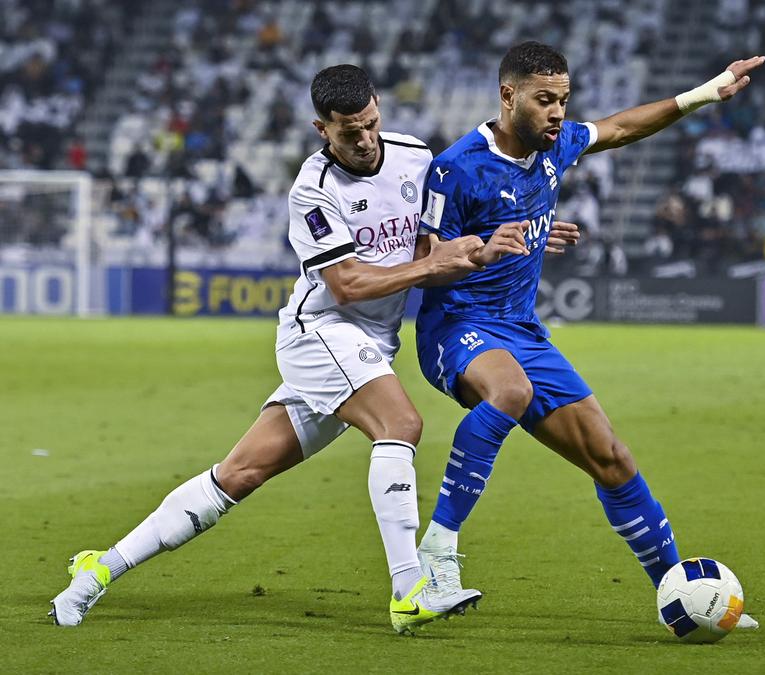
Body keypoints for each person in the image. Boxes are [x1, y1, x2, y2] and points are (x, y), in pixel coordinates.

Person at [49, 64, 533, 635]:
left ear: (380, 110)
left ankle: (98, 570)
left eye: (371, 124)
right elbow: (348, 285)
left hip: (370, 345)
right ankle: (410, 590)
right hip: (320, 333)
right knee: (399, 424)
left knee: (239, 474)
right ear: (320, 129)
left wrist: (483, 249)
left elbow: (429, 250)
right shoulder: (312, 190)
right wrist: (432, 263)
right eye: (348, 131)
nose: (364, 140)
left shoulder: (414, 155)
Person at [413, 42, 763, 630]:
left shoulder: (558, 147)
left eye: (564, 100)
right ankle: (438, 552)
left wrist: (705, 92)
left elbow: (622, 127)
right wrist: (481, 249)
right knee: (511, 391)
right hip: (457, 325)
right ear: (509, 96)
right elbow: (424, 260)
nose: (557, 113)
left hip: (522, 330)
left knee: (612, 459)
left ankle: (678, 598)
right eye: (545, 100)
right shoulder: (457, 166)